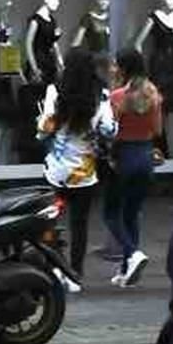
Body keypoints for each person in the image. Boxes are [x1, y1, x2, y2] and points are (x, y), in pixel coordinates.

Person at [37, 48, 117, 291]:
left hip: (57, 171)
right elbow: (110, 130)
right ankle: (75, 274)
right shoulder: (100, 96)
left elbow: (45, 127)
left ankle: (55, 268)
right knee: (79, 224)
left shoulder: (54, 91)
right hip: (84, 173)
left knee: (51, 221)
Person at [105, 49, 162, 287]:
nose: (112, 69)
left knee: (110, 213)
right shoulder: (153, 94)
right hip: (146, 155)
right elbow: (158, 130)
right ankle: (127, 271)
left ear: (125, 68)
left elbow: (110, 130)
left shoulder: (116, 97)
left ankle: (132, 253)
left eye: (116, 65)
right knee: (131, 212)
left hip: (123, 157)